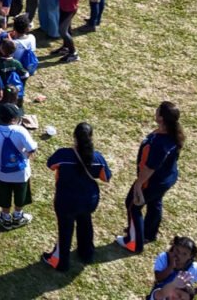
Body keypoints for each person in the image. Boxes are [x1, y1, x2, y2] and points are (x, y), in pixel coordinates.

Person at [41, 122, 112, 271]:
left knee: (65, 230)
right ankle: (87, 253)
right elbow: (106, 177)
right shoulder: (97, 158)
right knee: (85, 222)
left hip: (66, 200)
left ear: (74, 137)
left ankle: (61, 262)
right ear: (91, 138)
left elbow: (51, 165)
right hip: (88, 201)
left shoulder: (63, 155)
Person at [116, 101, 185, 254]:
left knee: (132, 205)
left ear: (161, 118)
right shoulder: (172, 134)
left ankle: (134, 242)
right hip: (167, 178)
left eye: (157, 110)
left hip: (152, 181)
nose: (155, 111)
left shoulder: (159, 144)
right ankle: (149, 233)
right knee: (155, 202)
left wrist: (139, 185)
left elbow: (149, 168)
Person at [0, 102, 38, 229]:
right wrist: (27, 156)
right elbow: (32, 148)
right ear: (14, 119)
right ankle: (18, 216)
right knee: (21, 194)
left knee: (3, 194)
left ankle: (5, 218)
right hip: (21, 173)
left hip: (2, 173)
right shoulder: (21, 131)